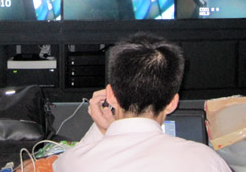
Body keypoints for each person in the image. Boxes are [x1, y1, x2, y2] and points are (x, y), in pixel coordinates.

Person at [52, 33, 231, 172]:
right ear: (172, 102)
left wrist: (102, 130)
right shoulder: (207, 161)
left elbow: (67, 163)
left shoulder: (73, 162)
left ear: (111, 95)